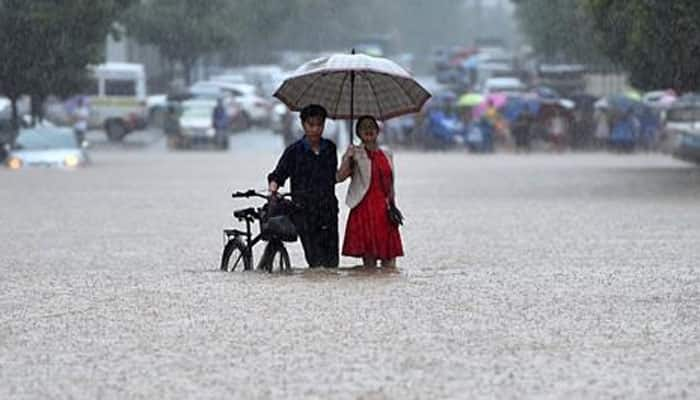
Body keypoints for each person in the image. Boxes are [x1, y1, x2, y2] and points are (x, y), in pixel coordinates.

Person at [267, 104, 339, 268]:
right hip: (304, 211)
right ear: (303, 125)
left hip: (328, 210)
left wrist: (349, 160)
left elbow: (333, 177)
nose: (315, 129)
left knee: (332, 263)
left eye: (319, 125)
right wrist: (273, 189)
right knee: (315, 261)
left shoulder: (330, 148)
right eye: (311, 125)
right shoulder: (293, 151)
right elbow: (278, 175)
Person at [337, 115, 404, 270]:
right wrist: (348, 158)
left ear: (378, 130)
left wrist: (393, 205)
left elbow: (391, 183)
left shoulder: (387, 154)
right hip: (364, 210)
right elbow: (339, 177)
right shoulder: (355, 153)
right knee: (369, 265)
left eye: (371, 126)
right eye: (363, 127)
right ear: (358, 133)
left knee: (390, 263)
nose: (368, 130)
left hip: (385, 212)